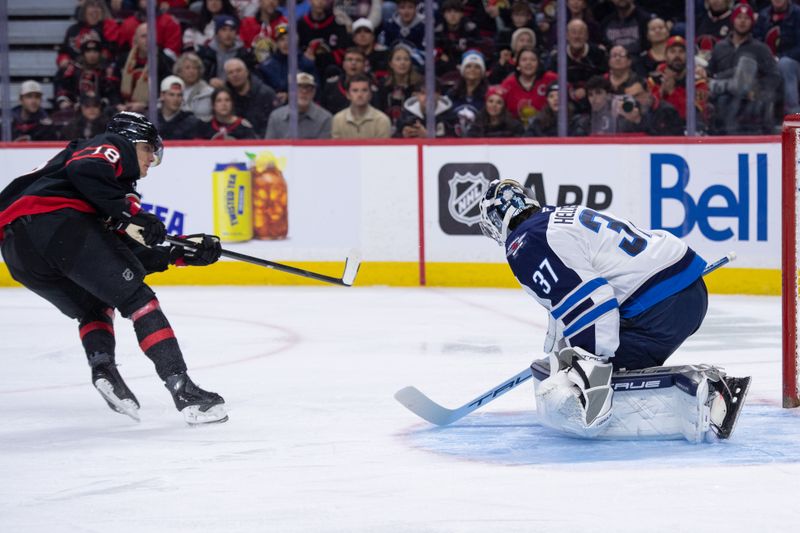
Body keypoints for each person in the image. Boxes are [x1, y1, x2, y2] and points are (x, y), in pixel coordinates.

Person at [477, 178, 751, 442]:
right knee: (582, 356)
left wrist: (588, 363)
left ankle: (707, 390)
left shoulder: (524, 243)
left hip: (659, 306)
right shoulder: (558, 216)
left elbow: (593, 301)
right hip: (685, 289)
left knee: (572, 382)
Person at [0, 112, 228, 425]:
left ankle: (103, 368)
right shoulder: (110, 146)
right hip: (56, 226)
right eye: (149, 148)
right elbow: (87, 168)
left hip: (19, 253)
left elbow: (123, 255)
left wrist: (182, 254)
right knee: (138, 299)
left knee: (95, 303)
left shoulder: (97, 191)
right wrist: (132, 212)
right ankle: (184, 390)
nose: (151, 159)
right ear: (131, 140)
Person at [705, 3, 781, 135]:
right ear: (733, 20)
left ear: (752, 22)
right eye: (739, 17)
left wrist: (759, 90)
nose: (742, 22)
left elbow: (773, 76)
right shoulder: (720, 47)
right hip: (723, 96)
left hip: (749, 100)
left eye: (746, 18)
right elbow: (710, 72)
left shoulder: (760, 49)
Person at [265, 72, 333, 139]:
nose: (304, 92)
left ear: (314, 93)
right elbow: (270, 147)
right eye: (299, 88)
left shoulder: (325, 119)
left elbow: (323, 149)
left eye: (309, 89)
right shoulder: (276, 117)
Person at [224, 58, 277, 136]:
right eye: (230, 72)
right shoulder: (225, 97)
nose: (235, 75)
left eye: (238, 70)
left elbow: (273, 125)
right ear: (227, 77)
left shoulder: (266, 94)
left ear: (247, 72)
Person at [331, 73, 391, 138]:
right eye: (355, 91)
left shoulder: (382, 120)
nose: (360, 95)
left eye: (364, 90)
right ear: (348, 95)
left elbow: (382, 147)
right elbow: (336, 147)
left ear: (370, 94)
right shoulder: (338, 120)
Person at [174, 52, 215, 121]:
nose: (191, 71)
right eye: (187, 68)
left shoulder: (210, 92)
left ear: (199, 71)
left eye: (195, 68)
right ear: (179, 71)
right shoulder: (172, 90)